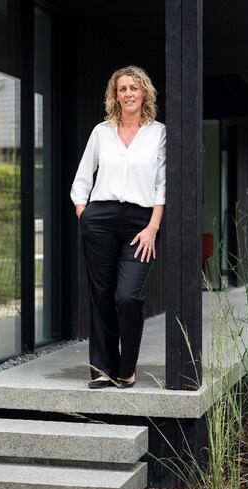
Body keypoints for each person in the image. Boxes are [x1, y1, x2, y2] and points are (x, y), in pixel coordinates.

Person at [70, 65, 166, 390]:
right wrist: (86, 216)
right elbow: (82, 179)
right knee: (100, 296)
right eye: (122, 88)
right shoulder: (101, 132)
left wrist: (153, 227)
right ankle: (101, 368)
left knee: (128, 297)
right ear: (115, 95)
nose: (128, 94)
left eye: (133, 88)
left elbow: (162, 185)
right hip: (101, 219)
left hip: (141, 222)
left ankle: (127, 368)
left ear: (144, 94)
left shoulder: (158, 133)